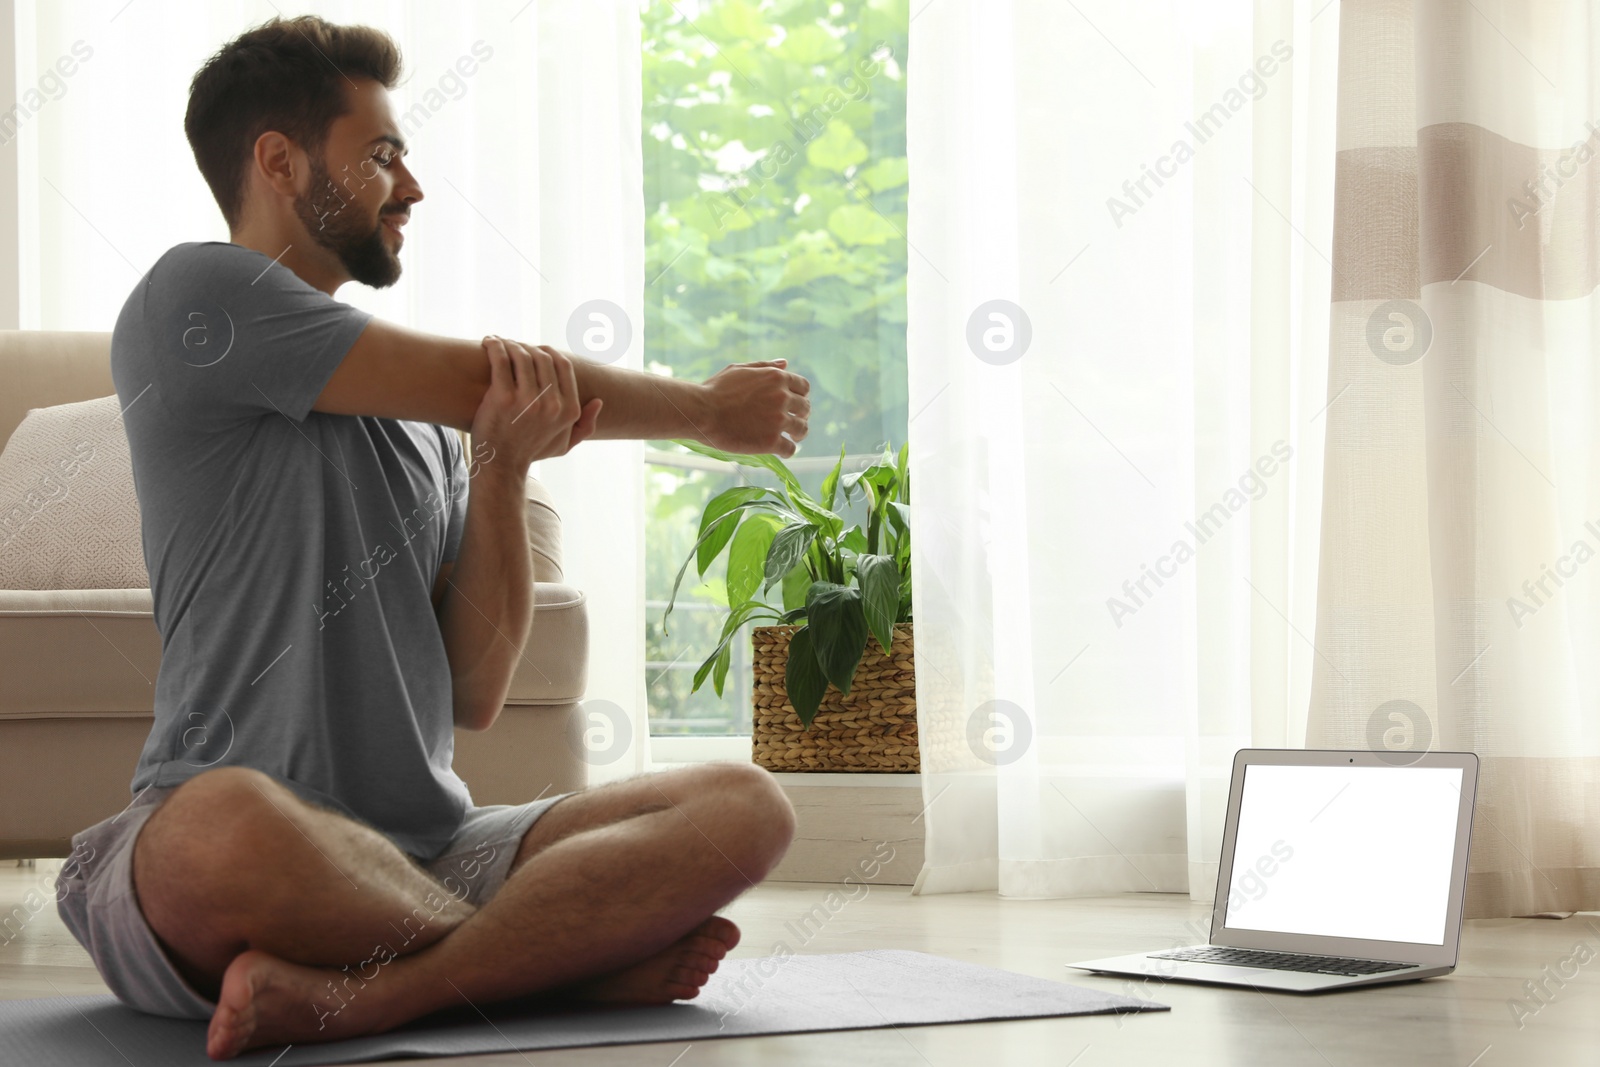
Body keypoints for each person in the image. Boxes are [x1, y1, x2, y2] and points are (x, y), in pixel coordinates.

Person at [53, 14, 806, 1060]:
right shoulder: (197, 295)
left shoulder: (428, 426)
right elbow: (482, 380)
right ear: (278, 160)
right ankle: (552, 967)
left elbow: (472, 691)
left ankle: (375, 996)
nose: (408, 187)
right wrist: (706, 413)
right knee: (225, 820)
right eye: (380, 155)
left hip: (430, 853)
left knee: (744, 806)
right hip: (235, 847)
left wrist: (501, 469)